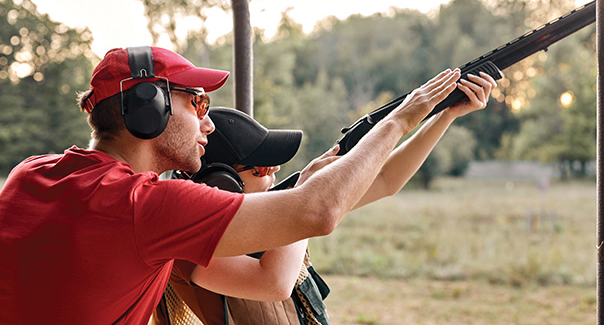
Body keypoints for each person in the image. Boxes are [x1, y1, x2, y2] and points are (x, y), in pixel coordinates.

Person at [0, 45, 491, 325]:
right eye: (197, 103)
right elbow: (315, 215)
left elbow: (374, 183)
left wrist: (441, 115)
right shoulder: (144, 206)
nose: (207, 123)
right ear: (147, 107)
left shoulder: (30, 174)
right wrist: (400, 120)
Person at [155, 59, 497, 325]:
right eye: (261, 167)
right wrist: (307, 194)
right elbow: (273, 282)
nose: (274, 172)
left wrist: (445, 116)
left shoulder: (271, 209)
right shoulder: (190, 246)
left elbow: (385, 180)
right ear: (222, 183)